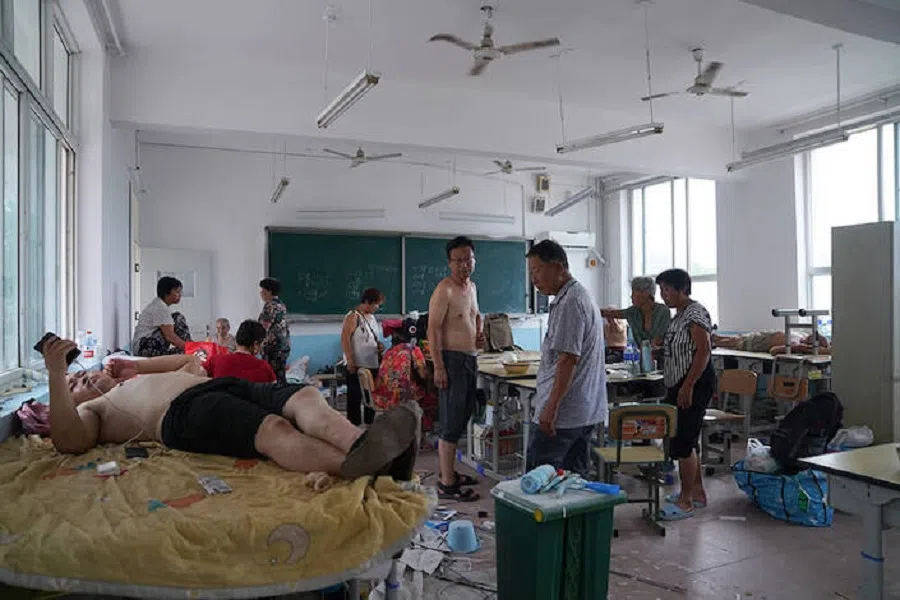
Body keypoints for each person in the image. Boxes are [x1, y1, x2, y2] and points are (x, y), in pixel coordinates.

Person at [43, 336, 419, 480]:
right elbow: (69, 441)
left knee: (303, 396)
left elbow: (192, 362)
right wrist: (57, 373)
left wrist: (136, 366)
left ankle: (362, 445)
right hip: (182, 416)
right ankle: (358, 465)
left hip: (216, 386)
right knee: (273, 429)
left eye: (78, 375)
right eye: (73, 386)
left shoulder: (129, 381)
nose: (82, 381)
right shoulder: (97, 411)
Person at [526, 240, 607, 475]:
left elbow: (568, 360)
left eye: (537, 270)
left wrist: (551, 407)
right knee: (573, 482)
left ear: (559, 267)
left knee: (539, 479)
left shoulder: (571, 302)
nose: (534, 278)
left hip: (564, 415)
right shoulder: (573, 296)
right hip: (580, 411)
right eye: (531, 272)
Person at [655, 269, 717, 521]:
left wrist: (688, 385)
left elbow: (703, 351)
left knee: (683, 443)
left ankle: (686, 501)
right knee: (686, 440)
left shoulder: (694, 312)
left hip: (693, 383)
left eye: (667, 290)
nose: (663, 296)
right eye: (661, 291)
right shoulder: (678, 315)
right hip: (678, 382)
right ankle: (698, 493)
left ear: (682, 289)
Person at [428, 236, 484, 502]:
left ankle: (449, 473)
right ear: (449, 263)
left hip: (469, 358)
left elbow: (476, 315)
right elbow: (433, 328)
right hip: (451, 360)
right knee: (451, 421)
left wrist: (480, 333)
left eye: (468, 259)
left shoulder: (471, 287)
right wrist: (438, 366)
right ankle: (447, 483)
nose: (464, 265)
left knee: (463, 416)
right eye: (458, 260)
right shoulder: (445, 289)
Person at [373, 318, 436, 434]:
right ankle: (423, 431)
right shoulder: (413, 349)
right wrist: (432, 374)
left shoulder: (389, 351)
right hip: (401, 396)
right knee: (432, 395)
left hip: (382, 395)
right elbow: (422, 374)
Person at [340, 288, 385, 426]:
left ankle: (369, 424)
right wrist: (350, 360)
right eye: (376, 304)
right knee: (355, 397)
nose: (377, 307)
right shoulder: (353, 316)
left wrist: (379, 346)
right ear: (367, 302)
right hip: (357, 364)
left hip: (372, 363)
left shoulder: (372, 318)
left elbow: (371, 337)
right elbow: (345, 339)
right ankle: (353, 427)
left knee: (370, 396)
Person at [601, 276, 671, 349]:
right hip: (642, 356)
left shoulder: (663, 311)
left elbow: (658, 340)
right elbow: (611, 313)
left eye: (634, 292)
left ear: (645, 293)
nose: (631, 296)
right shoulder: (633, 311)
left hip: (662, 358)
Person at [203, 320, 277, 383]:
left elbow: (196, 375)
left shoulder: (215, 361)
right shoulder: (265, 368)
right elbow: (274, 393)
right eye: (262, 344)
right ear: (255, 344)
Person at [133, 277, 191, 357]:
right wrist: (191, 348)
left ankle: (191, 348)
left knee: (184, 352)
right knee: (178, 318)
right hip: (143, 348)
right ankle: (191, 348)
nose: (180, 295)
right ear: (166, 293)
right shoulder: (160, 308)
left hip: (143, 347)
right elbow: (170, 337)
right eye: (177, 292)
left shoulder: (159, 305)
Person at [259, 278, 291, 383]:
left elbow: (263, 327)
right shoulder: (281, 304)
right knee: (280, 377)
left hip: (272, 348)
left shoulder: (270, 306)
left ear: (269, 291)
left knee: (272, 378)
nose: (261, 293)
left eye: (263, 290)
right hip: (283, 346)